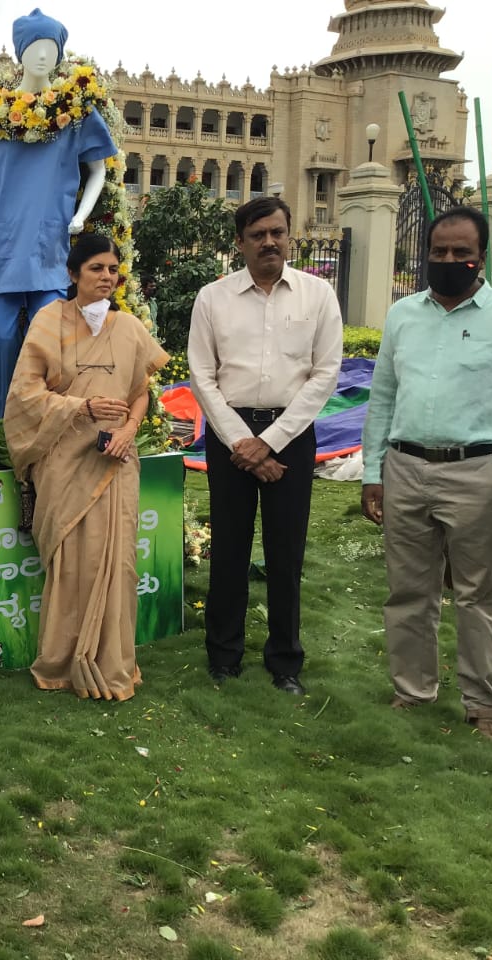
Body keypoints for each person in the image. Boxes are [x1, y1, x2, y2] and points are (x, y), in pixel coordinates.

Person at [187, 197, 342, 695]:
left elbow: (324, 375)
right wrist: (241, 441)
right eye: (257, 234)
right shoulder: (213, 298)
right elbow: (201, 376)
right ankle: (224, 655)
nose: (269, 242)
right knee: (229, 549)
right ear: (240, 242)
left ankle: (285, 662)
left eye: (277, 232)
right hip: (229, 434)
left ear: (289, 235)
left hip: (291, 437)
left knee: (285, 552)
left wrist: (270, 442)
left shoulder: (317, 296)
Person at [3, 234, 168, 700]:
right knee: (72, 564)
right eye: (96, 268)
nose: (107, 277)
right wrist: (82, 405)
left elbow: (141, 387)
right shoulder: (50, 320)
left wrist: (130, 430)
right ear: (73, 274)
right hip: (65, 459)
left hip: (117, 458)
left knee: (119, 563)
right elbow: (25, 394)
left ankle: (114, 662)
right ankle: (61, 662)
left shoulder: (130, 327)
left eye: (113, 269)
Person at [360, 207, 492, 744]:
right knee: (409, 591)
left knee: (477, 595)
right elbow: (383, 396)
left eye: (459, 252)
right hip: (406, 469)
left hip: (475, 472)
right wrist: (373, 471)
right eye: (438, 252)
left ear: (480, 256)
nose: (448, 261)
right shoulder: (402, 315)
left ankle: (483, 704)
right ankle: (413, 689)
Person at [0, 8, 118, 418]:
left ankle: (47, 421)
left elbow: (99, 169)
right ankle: (4, 420)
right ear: (19, 53)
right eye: (35, 47)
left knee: (49, 340)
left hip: (50, 245)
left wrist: (82, 214)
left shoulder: (76, 113)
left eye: (51, 48)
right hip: (3, 244)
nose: (43, 56)